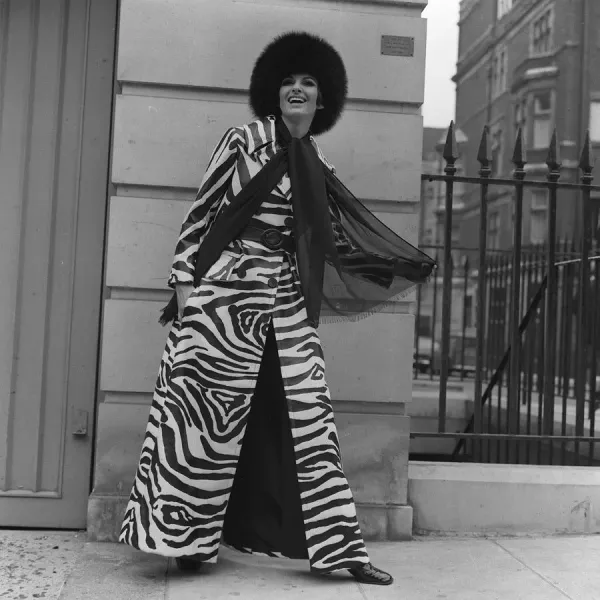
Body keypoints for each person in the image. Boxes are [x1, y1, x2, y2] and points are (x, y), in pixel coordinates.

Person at [119, 31, 435, 587]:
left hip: (284, 300)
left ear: (322, 101)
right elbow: (203, 213)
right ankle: (185, 542)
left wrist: (395, 265)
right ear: (274, 91)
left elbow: (337, 235)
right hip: (225, 296)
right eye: (288, 81)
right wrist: (185, 289)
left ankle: (340, 552)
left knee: (311, 418)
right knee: (202, 421)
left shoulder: (317, 160)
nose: (296, 89)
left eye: (307, 83)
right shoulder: (243, 140)